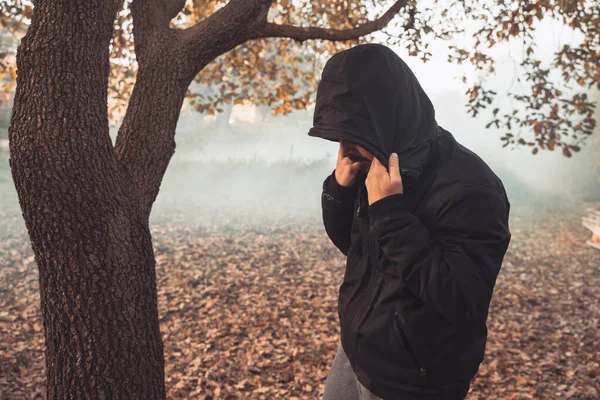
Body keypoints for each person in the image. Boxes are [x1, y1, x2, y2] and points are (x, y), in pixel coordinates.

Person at [309, 44, 511, 399]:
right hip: (356, 353)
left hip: (414, 380)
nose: (345, 143)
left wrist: (391, 214)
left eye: (353, 131)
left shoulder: (471, 186)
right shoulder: (377, 160)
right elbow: (352, 246)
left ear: (386, 118)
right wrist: (340, 189)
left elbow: (462, 300)